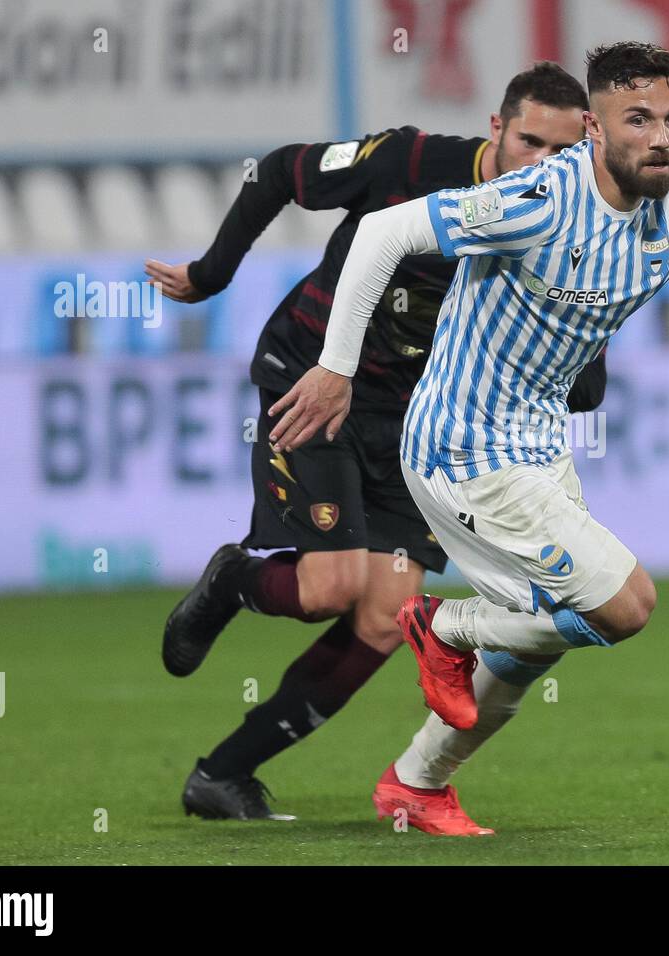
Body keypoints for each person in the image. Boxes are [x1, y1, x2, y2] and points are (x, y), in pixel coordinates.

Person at [267, 41, 669, 807]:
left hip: (538, 450)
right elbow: (383, 234)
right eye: (637, 119)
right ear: (596, 130)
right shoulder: (539, 198)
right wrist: (335, 369)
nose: (660, 136)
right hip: (459, 445)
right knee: (626, 605)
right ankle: (444, 627)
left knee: (538, 647)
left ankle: (415, 784)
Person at [146, 63, 601, 831]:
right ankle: (233, 581)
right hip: (315, 381)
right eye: (529, 141)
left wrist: (572, 341)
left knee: (388, 615)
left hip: (412, 423)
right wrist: (210, 274)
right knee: (328, 586)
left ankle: (222, 774)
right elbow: (280, 170)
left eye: (562, 153)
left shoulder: (561, 229)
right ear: (496, 128)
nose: (541, 165)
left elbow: (585, 385)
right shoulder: (411, 164)